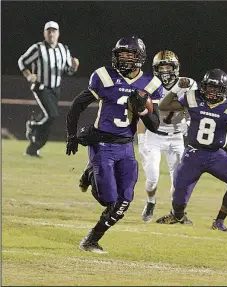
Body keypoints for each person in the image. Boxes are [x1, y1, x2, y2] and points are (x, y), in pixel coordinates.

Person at [66, 36, 163, 253]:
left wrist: (143, 110)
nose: (125, 59)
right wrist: (72, 135)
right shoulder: (103, 76)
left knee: (124, 200)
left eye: (130, 55)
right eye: (121, 55)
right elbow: (77, 106)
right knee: (107, 198)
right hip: (102, 144)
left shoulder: (151, 83)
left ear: (140, 58)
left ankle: (91, 240)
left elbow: (154, 125)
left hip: (127, 146)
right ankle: (91, 173)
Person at [156, 69, 227, 231]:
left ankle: (219, 221)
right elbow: (164, 106)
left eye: (216, 88)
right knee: (179, 190)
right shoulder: (193, 97)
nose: (211, 92)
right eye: (209, 87)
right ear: (203, 86)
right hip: (193, 153)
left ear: (224, 89)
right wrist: (176, 89)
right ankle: (177, 215)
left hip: (216, 155)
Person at [137, 50, 197, 222]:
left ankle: (174, 212)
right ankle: (150, 201)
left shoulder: (189, 84)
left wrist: (190, 124)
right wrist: (141, 141)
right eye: (161, 67)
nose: (165, 71)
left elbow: (196, 109)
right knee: (152, 178)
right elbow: (142, 113)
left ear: (175, 68)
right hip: (154, 136)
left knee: (178, 181)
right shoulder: (149, 84)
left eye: (168, 66)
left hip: (177, 137)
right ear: (155, 69)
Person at [18, 21, 79, 157]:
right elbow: (22, 61)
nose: (51, 34)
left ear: (58, 33)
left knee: (49, 120)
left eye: (54, 31)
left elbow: (67, 70)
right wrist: (29, 75)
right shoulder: (38, 48)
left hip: (55, 89)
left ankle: (33, 148)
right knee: (52, 115)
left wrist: (74, 67)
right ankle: (33, 125)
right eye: (48, 31)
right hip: (41, 86)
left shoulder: (63, 49)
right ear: (44, 33)